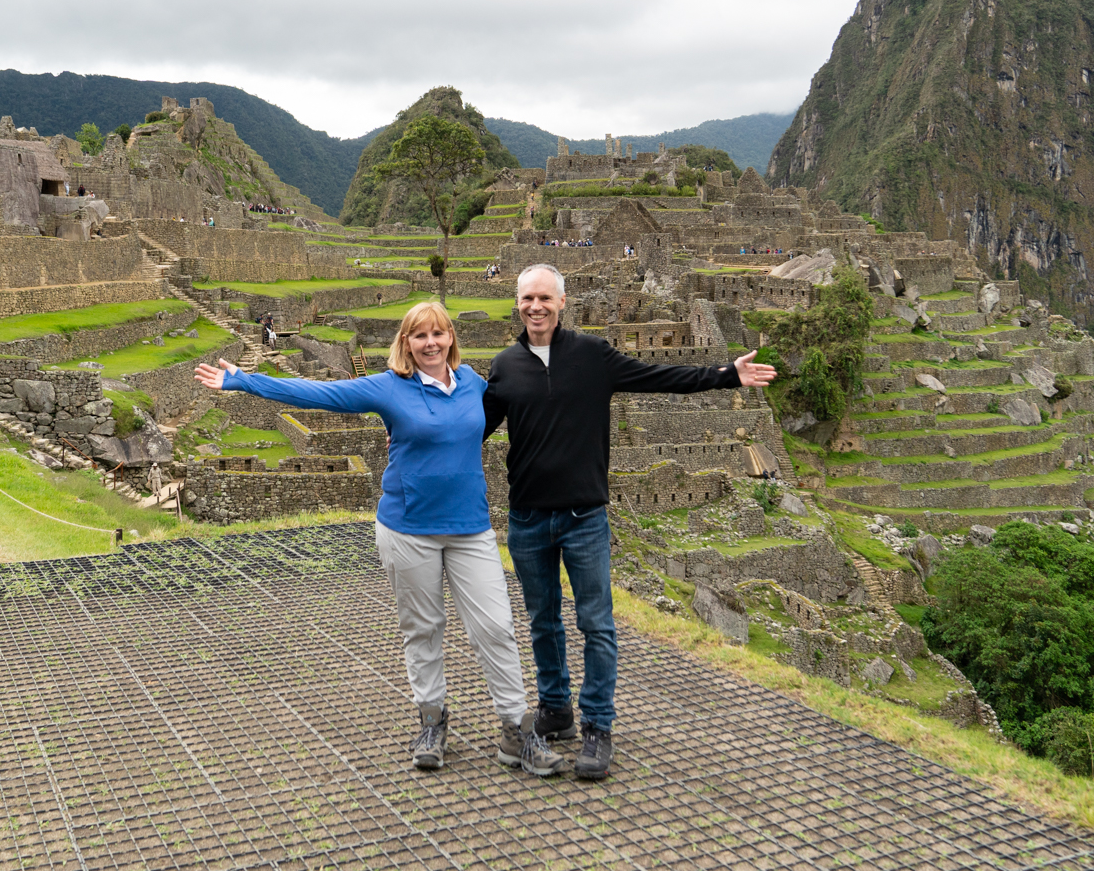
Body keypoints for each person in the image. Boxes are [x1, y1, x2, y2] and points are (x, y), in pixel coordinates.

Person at [193, 302, 572, 777]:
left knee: (495, 627)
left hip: (470, 529)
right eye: (420, 336)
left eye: (438, 334)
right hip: (407, 529)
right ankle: (432, 721)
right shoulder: (389, 387)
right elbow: (320, 394)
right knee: (423, 629)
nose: (431, 343)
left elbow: (527, 400)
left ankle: (517, 730)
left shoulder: (473, 383)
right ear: (406, 343)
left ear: (451, 338)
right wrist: (245, 381)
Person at [483, 263, 776, 781]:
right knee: (542, 620)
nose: (536, 307)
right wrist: (415, 434)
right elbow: (473, 428)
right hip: (527, 517)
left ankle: (598, 724)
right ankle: (556, 707)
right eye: (528, 298)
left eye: (545, 298)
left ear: (562, 302)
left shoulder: (592, 355)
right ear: (518, 303)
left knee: (596, 623)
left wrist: (726, 375)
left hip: (583, 518)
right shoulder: (505, 366)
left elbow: (660, 378)